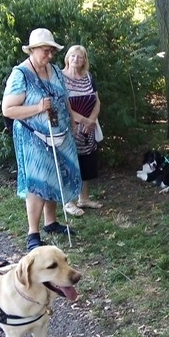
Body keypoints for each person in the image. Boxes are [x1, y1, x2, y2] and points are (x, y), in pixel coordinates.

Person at [2, 28, 82, 251]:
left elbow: (64, 98)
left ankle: (51, 222)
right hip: (33, 136)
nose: (50, 55)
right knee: (38, 181)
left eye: (52, 51)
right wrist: (37, 108)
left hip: (59, 133)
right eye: (46, 51)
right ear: (33, 50)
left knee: (55, 174)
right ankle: (33, 234)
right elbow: (8, 109)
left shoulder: (54, 70)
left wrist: (72, 121)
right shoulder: (20, 74)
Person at [62, 45, 103, 216]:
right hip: (70, 127)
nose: (75, 59)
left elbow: (97, 101)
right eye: (72, 56)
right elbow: (63, 105)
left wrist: (91, 120)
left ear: (84, 60)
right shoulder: (60, 78)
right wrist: (82, 120)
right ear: (67, 57)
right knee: (69, 162)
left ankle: (84, 199)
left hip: (89, 128)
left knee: (86, 161)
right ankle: (68, 202)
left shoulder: (88, 77)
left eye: (79, 57)